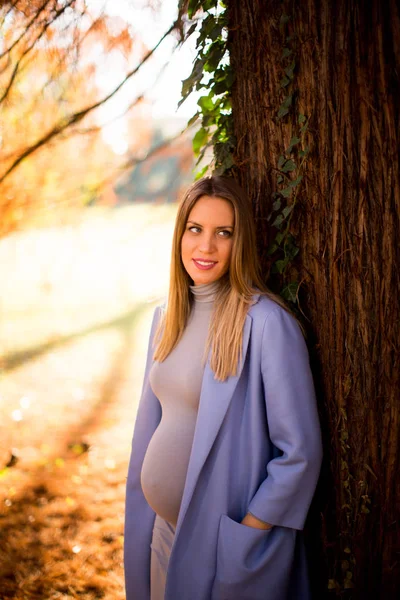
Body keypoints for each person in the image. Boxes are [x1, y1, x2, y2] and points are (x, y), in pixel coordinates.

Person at [124, 176, 323, 600]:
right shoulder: (166, 318)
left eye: (223, 233)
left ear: (240, 242)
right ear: (180, 235)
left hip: (224, 546)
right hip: (164, 535)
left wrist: (253, 527)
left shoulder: (266, 324)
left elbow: (300, 452)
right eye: (195, 229)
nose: (206, 247)